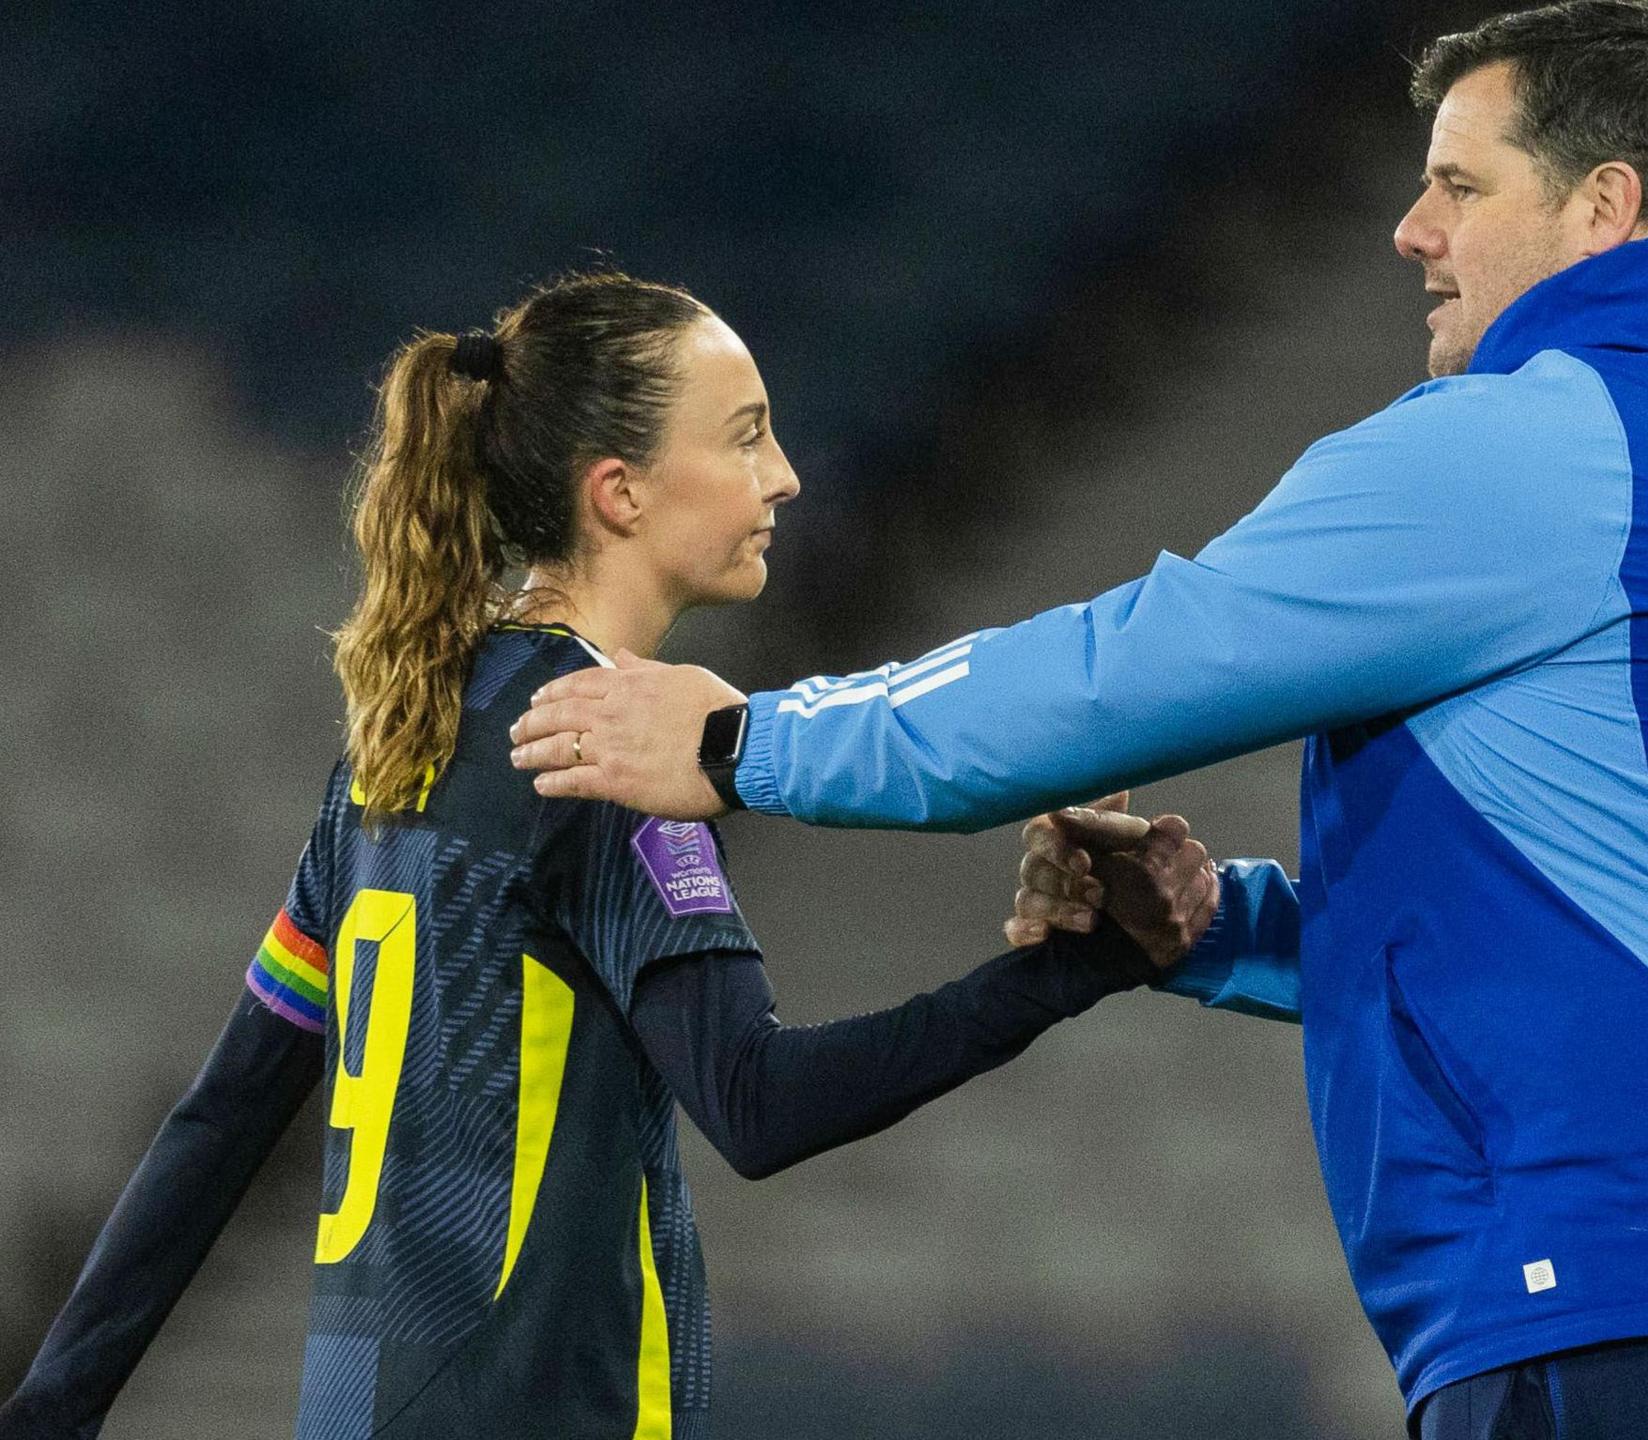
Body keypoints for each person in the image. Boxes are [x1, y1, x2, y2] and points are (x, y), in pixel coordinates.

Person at [508, 3, 1648, 1434]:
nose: (1412, 230)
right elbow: (1640, 901)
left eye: (1461, 186)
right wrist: (1217, 928)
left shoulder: (1532, 444)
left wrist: (743, 741)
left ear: (1605, 204)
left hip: (1639, 1287)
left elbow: (1118, 673)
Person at [0, 273, 1183, 1440]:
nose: (785, 476)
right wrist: (1069, 971)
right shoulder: (601, 751)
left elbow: (224, 1113)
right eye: (745, 438)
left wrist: (54, 1406)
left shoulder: (405, 731)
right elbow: (759, 1106)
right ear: (618, 493)